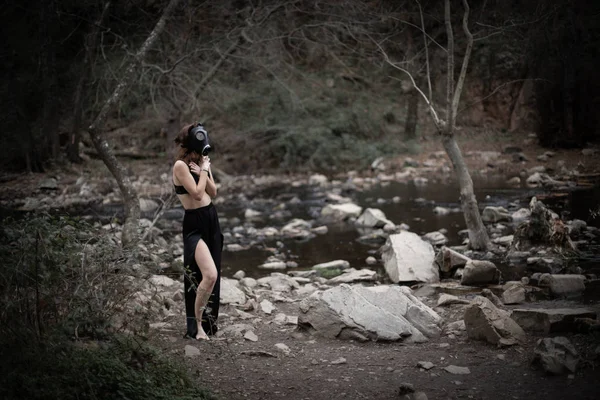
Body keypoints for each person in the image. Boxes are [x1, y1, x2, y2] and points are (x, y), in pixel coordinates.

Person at [172, 123, 223, 340]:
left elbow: (213, 191)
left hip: (211, 218)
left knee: (214, 275)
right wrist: (202, 171)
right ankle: (197, 327)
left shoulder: (202, 161)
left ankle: (209, 323)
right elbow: (196, 194)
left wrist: (205, 168)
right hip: (194, 224)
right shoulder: (180, 166)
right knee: (208, 274)